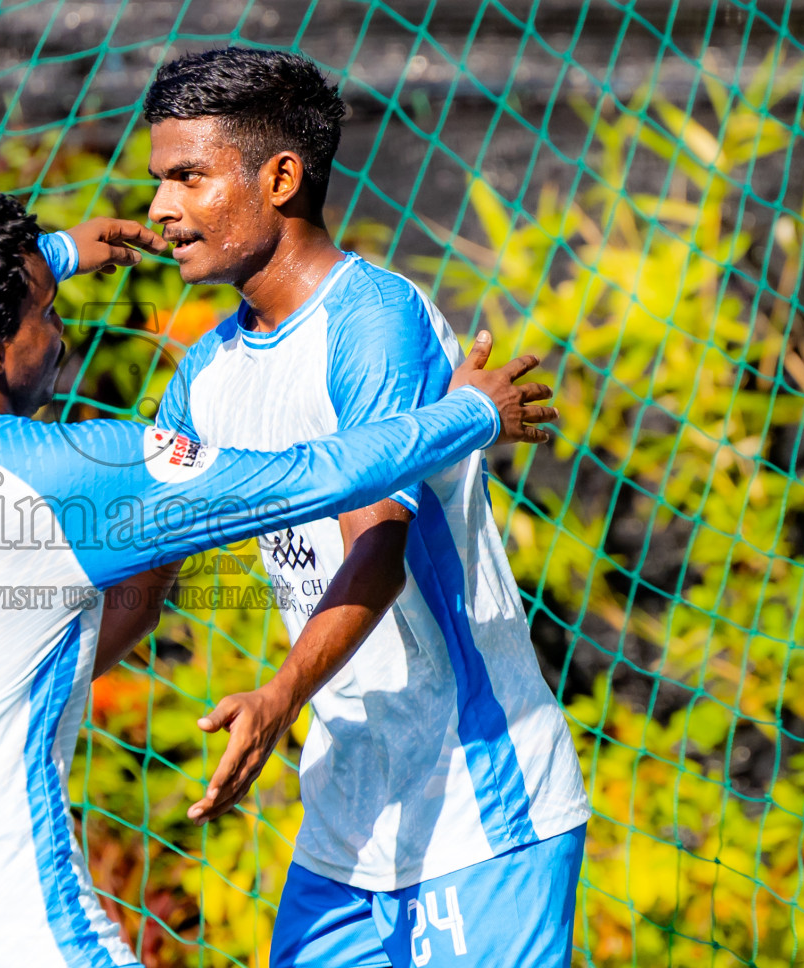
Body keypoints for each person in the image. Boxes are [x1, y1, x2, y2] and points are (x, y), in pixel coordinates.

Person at [0, 188, 556, 967]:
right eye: (46, 313)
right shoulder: (67, 474)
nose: (61, 328)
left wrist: (60, 255)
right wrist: (471, 413)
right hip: (6, 919)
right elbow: (319, 476)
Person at [131, 47, 590, 968]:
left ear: (281, 179)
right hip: (348, 820)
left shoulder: (375, 322)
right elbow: (145, 561)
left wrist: (277, 697)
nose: (160, 208)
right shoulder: (207, 371)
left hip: (476, 808)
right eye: (158, 181)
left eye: (188, 176)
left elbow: (376, 552)